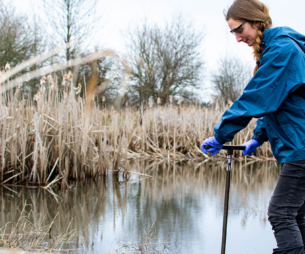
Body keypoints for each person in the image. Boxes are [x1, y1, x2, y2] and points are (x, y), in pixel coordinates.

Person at [200, 0, 305, 253]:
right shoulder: (277, 49)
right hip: (296, 146)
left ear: (256, 22)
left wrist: (221, 134)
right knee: (297, 216)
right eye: (232, 32)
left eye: (239, 29)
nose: (237, 38)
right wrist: (258, 137)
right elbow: (277, 103)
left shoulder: (282, 51)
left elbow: (255, 98)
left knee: (280, 214)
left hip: (300, 149)